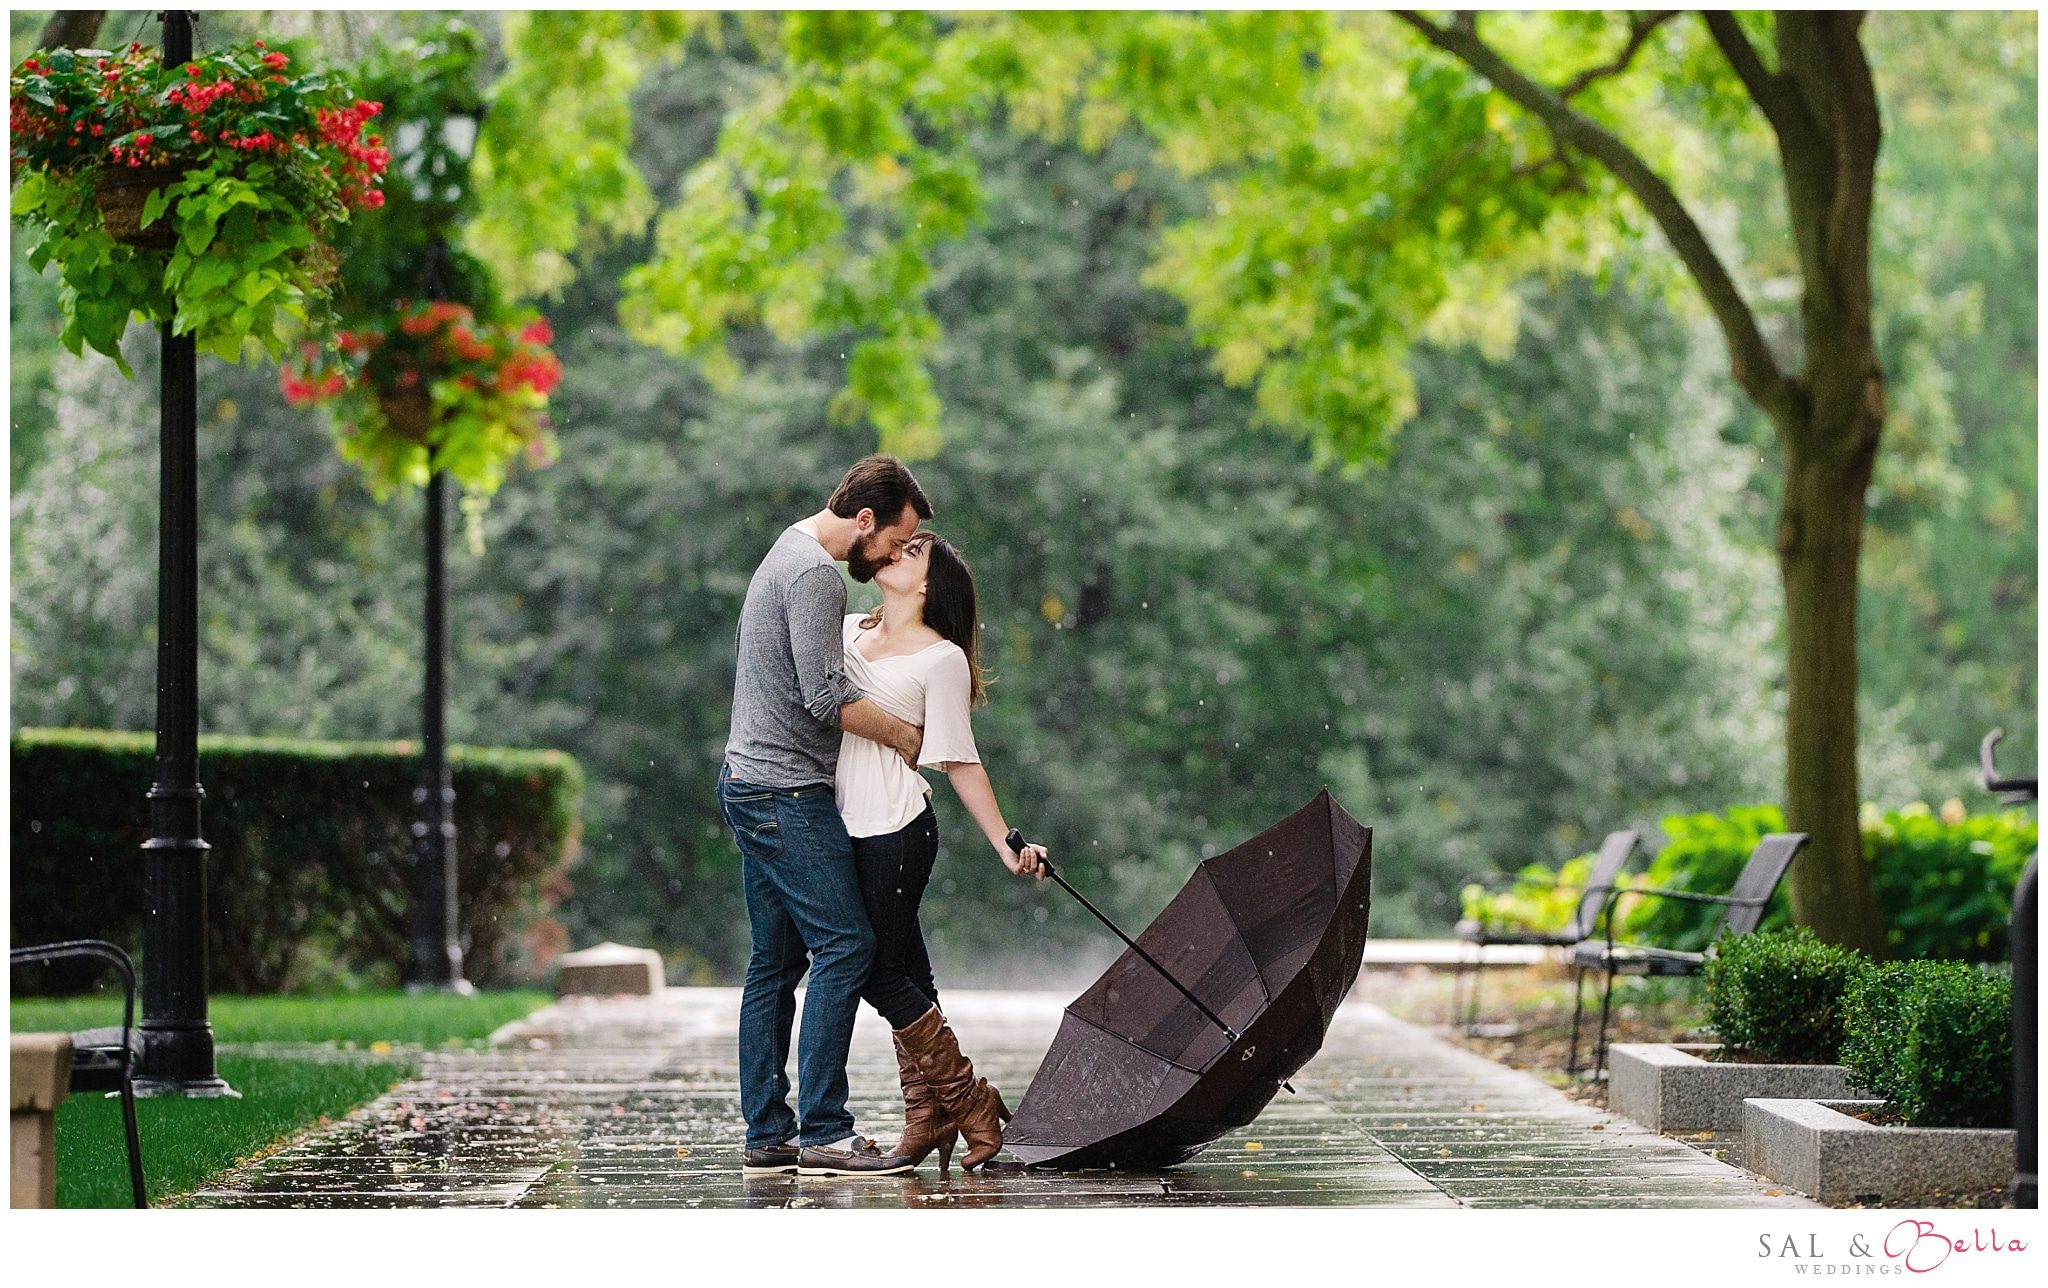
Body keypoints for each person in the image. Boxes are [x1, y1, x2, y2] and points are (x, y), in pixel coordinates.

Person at [719, 455, 932, 1177]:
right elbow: (823, 695)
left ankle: (768, 1132)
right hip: (785, 792)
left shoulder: (787, 551)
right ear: (864, 521)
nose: (897, 556)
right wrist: (907, 736)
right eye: (896, 542)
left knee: (775, 963)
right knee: (846, 946)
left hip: (750, 780)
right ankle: (825, 1131)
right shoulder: (814, 574)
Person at [834, 529, 1050, 1171]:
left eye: (913, 551)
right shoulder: (848, 630)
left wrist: (1006, 843)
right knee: (907, 972)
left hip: (897, 828)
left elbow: (960, 761)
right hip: (841, 824)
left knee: (874, 968)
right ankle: (928, 1117)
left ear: (929, 584)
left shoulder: (941, 660)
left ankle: (970, 1102)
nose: (896, 551)